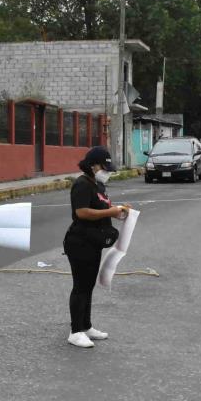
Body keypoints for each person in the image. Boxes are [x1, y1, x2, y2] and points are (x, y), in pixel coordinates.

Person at [63, 146, 130, 348]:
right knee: (80, 286)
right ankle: (75, 331)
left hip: (93, 242)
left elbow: (102, 208)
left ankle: (86, 325)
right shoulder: (82, 184)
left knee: (89, 285)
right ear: (93, 166)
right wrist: (111, 212)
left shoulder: (98, 185)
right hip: (79, 242)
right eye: (105, 168)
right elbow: (82, 212)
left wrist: (120, 212)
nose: (107, 173)